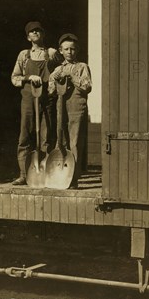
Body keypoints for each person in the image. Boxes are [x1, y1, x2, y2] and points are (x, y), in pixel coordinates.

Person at [11, 21, 63, 185]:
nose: (36, 33)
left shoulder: (51, 53)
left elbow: (63, 69)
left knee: (45, 137)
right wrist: (28, 77)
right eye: (32, 32)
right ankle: (24, 174)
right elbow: (14, 78)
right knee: (25, 134)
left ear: (43, 34)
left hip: (46, 99)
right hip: (28, 98)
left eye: (38, 31)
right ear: (28, 37)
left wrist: (53, 80)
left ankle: (46, 173)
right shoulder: (24, 55)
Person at [49, 33, 92, 188]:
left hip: (77, 106)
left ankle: (73, 178)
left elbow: (87, 87)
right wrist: (55, 79)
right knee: (61, 139)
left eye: (72, 49)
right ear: (61, 50)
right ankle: (60, 175)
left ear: (77, 50)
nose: (69, 52)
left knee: (74, 142)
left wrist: (72, 77)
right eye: (66, 49)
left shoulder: (82, 67)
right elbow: (50, 90)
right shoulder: (57, 69)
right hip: (61, 107)